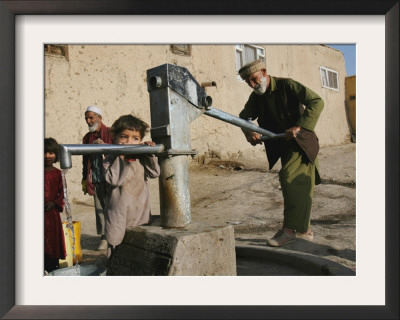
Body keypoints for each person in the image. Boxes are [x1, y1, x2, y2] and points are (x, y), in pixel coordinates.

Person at [238, 59, 324, 247]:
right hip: (284, 145)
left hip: (301, 142)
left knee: (290, 179)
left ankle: (289, 231)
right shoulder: (256, 97)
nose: (253, 85)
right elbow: (244, 117)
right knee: (299, 185)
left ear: (264, 72)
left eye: (254, 79)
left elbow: (316, 101)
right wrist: (249, 132)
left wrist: (299, 126)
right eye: (248, 82)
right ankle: (304, 231)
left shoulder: (288, 85)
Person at [103, 114, 160, 261]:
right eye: (124, 137)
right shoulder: (110, 159)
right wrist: (120, 157)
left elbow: (155, 173)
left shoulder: (141, 157)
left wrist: (148, 153)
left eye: (135, 138)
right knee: (116, 250)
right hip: (119, 215)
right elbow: (114, 179)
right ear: (114, 138)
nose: (129, 142)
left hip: (140, 213)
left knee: (138, 250)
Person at [82, 105, 113, 250]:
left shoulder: (111, 133)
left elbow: (119, 152)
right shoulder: (87, 138)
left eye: (91, 117)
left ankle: (116, 235)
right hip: (97, 177)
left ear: (99, 118)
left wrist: (105, 146)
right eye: (86, 118)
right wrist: (85, 178)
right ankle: (104, 237)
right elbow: (85, 160)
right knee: (100, 208)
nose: (88, 121)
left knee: (114, 207)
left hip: (112, 178)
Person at [44, 138, 66, 273]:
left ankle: (52, 269)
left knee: (52, 242)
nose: (47, 156)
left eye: (51, 153)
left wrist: (54, 203)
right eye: (44, 153)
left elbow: (63, 192)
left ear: (56, 155)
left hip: (52, 215)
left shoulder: (58, 174)